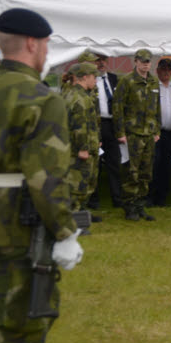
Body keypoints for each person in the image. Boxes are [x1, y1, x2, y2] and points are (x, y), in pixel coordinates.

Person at [0, 8, 83, 343]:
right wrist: (64, 231)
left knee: (10, 312)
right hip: (17, 219)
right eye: (46, 44)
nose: (46, 51)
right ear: (33, 43)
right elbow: (46, 176)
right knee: (26, 322)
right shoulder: (43, 98)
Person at [113, 49, 161, 221]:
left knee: (146, 172)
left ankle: (140, 206)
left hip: (149, 133)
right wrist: (120, 132)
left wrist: (157, 129)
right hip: (132, 133)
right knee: (131, 172)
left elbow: (157, 107)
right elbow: (117, 108)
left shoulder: (154, 81)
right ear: (136, 62)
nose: (146, 64)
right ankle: (129, 206)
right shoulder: (127, 81)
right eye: (143, 61)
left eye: (148, 61)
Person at [61, 63, 101, 228]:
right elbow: (80, 126)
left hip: (81, 147)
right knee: (78, 187)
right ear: (85, 77)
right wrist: (83, 148)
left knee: (82, 185)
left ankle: (81, 217)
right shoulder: (80, 98)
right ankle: (75, 224)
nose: (95, 80)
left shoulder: (73, 94)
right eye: (94, 76)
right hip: (80, 149)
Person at [89, 51, 123, 210]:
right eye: (98, 60)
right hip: (96, 123)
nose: (101, 63)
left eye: (104, 60)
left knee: (115, 162)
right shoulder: (89, 80)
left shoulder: (114, 78)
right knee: (95, 163)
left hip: (112, 124)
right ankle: (94, 200)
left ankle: (117, 198)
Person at [148, 58, 171, 207]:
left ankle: (163, 198)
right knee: (154, 164)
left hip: (170, 133)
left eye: (169, 69)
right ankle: (150, 197)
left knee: (166, 165)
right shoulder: (153, 87)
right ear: (157, 70)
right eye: (163, 69)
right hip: (156, 133)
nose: (166, 72)